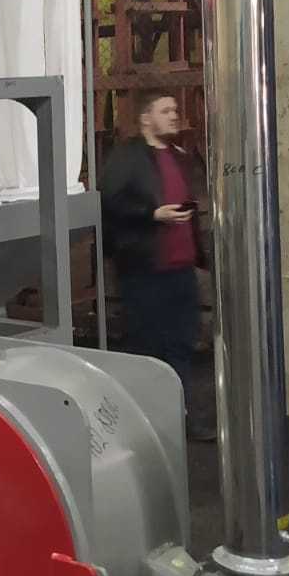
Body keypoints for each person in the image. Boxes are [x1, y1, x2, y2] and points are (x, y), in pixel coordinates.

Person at [99, 89, 211, 438]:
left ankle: (177, 421)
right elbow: (108, 201)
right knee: (148, 347)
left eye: (175, 109)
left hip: (180, 269)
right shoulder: (128, 157)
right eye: (165, 110)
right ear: (146, 118)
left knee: (180, 343)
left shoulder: (179, 156)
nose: (174, 115)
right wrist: (151, 214)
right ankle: (135, 423)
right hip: (144, 270)